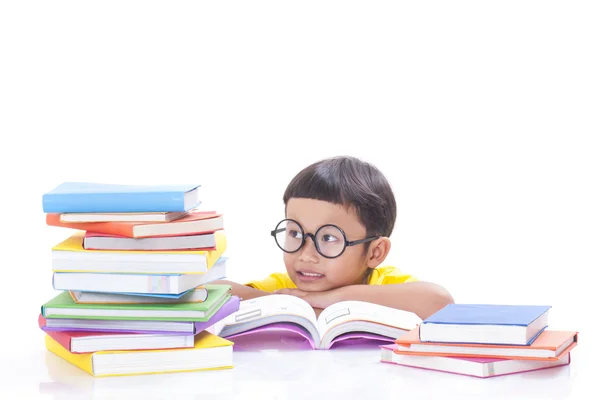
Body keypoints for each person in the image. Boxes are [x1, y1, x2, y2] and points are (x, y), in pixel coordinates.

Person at [217, 156, 454, 319]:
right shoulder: (286, 289)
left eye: (328, 238)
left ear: (375, 252)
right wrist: (294, 303)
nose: (306, 255)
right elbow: (213, 291)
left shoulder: (386, 285)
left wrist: (336, 299)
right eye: (295, 233)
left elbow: (439, 301)